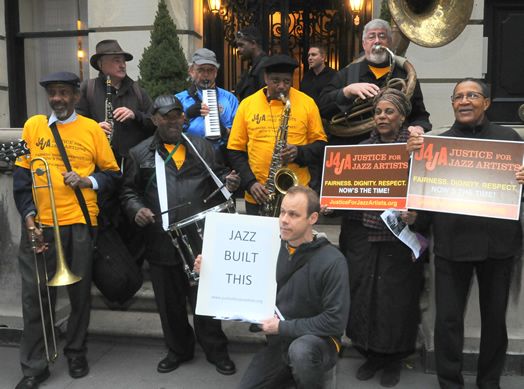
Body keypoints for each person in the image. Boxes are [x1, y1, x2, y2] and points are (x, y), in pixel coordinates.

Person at [407, 78, 524, 389]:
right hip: (450, 246)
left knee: (495, 323)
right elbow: (424, 201)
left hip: (498, 247)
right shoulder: (436, 146)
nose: (464, 101)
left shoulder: (509, 140)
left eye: (472, 95)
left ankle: (489, 382)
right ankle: (449, 382)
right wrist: (414, 216)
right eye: (458, 96)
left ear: (486, 102)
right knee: (447, 322)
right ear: (453, 104)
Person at [13, 71, 121, 389]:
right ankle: (35, 365)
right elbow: (22, 180)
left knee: (79, 296)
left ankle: (76, 352)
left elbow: (113, 175)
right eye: (52, 93)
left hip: (79, 223)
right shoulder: (33, 126)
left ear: (76, 96)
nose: (57, 98)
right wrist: (29, 219)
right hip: (41, 225)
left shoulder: (91, 130)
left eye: (63, 92)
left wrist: (88, 180)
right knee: (35, 298)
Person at [119, 95, 240, 376]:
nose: (173, 121)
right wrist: (136, 209)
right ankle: (178, 350)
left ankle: (216, 350)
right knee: (169, 302)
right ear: (154, 120)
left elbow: (221, 177)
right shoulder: (139, 153)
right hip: (161, 242)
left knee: (205, 300)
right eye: (166, 116)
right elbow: (128, 191)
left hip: (201, 240)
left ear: (184, 118)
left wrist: (231, 182)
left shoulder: (203, 148)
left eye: (177, 115)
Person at [195, 186, 350, 389]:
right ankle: (291, 374)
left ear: (312, 218)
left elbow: (335, 322)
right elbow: (242, 279)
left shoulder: (333, 261)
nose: (284, 219)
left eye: (293, 214)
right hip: (280, 341)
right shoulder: (267, 247)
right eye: (282, 212)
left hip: (318, 342)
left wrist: (282, 327)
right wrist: (210, 273)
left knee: (301, 352)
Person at [340, 89, 424, 387]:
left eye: (389, 111)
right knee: (366, 296)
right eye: (378, 112)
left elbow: (427, 191)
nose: (382, 117)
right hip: (364, 235)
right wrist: (332, 201)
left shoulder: (416, 149)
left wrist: (416, 216)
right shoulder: (362, 149)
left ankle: (394, 358)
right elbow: (348, 192)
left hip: (400, 239)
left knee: (396, 300)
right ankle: (370, 354)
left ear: (402, 117)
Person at [228, 55, 328, 215]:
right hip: (259, 194)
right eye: (276, 80)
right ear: (266, 78)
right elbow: (235, 151)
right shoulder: (247, 105)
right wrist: (250, 183)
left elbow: (321, 146)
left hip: (297, 193)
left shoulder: (307, 103)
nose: (281, 86)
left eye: (287, 81)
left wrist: (299, 152)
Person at [317, 18, 431, 145]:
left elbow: (420, 116)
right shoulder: (347, 74)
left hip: (395, 149)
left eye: (382, 36)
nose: (377, 41)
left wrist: (418, 127)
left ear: (390, 42)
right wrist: (347, 91)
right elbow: (322, 107)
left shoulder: (404, 77)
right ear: (364, 44)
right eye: (371, 37)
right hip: (352, 147)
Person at [75, 39, 155, 166]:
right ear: (101, 65)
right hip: (98, 163)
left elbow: (154, 122)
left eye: (123, 61)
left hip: (132, 165)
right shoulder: (86, 89)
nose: (123, 65)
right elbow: (73, 125)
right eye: (116, 60)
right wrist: (93, 128)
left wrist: (136, 115)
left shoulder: (138, 91)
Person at [175, 48, 238, 161]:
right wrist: (186, 116)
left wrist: (225, 131)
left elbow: (239, 131)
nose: (206, 75)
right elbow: (170, 130)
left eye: (210, 70)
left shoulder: (229, 98)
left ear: (216, 72)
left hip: (220, 158)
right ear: (191, 70)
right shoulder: (179, 98)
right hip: (188, 157)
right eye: (201, 70)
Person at [234, 26, 269, 101]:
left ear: (253, 44)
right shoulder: (253, 66)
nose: (238, 50)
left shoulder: (264, 66)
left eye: (241, 45)